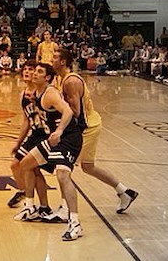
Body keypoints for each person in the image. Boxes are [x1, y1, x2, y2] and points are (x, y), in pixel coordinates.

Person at [48, 48, 138, 222]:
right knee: (88, 167)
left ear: (63, 62)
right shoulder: (59, 78)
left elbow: (75, 111)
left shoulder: (71, 81)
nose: (51, 60)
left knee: (63, 169)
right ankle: (125, 192)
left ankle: (65, 210)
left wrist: (56, 112)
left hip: (86, 127)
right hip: (90, 123)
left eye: (55, 58)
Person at [13, 63, 83, 241]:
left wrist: (59, 131)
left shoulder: (50, 93)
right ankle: (31, 206)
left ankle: (74, 222)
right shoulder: (35, 94)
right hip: (51, 138)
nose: (34, 73)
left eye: (39, 71)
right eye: (34, 70)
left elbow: (68, 111)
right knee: (25, 164)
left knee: (62, 175)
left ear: (47, 78)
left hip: (68, 137)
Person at [8, 61, 50, 212]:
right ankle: (25, 192)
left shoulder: (42, 92)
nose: (27, 72)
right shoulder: (23, 93)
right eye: (25, 69)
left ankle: (43, 206)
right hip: (34, 135)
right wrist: (18, 142)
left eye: (30, 70)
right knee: (15, 165)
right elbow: (26, 120)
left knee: (34, 169)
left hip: (45, 135)